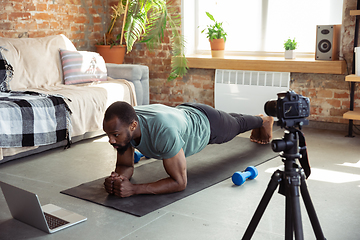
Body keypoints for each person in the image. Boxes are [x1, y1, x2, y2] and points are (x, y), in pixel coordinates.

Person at [103, 101, 274, 198]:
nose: (111, 140)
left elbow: (180, 183)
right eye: (108, 134)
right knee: (232, 119)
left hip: (208, 124)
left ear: (133, 125)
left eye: (115, 135)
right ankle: (255, 120)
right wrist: (118, 180)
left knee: (237, 125)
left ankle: (264, 121)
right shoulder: (124, 127)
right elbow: (126, 167)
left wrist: (133, 189)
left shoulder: (163, 132)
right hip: (183, 113)